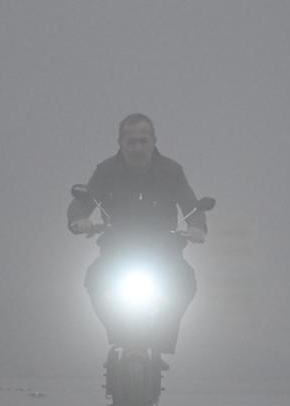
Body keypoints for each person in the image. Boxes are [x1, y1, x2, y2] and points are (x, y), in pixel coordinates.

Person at [68, 114, 207, 366]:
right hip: (117, 250)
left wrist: (197, 227)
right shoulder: (106, 171)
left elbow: (191, 205)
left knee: (185, 282)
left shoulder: (172, 171)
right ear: (120, 143)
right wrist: (79, 220)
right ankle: (118, 335)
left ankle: (160, 340)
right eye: (131, 142)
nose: (138, 147)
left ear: (154, 141)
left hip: (164, 251)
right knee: (95, 280)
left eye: (143, 141)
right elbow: (84, 202)